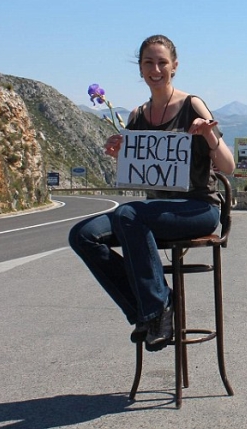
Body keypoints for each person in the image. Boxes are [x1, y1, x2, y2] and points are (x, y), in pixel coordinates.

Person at [69, 34, 235, 351]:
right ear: (141, 69)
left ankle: (157, 309)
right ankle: (146, 310)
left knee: (128, 214)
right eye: (149, 62)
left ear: (174, 66)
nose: (155, 68)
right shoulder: (137, 116)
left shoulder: (192, 105)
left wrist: (209, 135)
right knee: (83, 235)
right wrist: (120, 151)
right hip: (154, 213)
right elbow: (138, 166)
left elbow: (227, 166)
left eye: (162, 62)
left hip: (198, 209)